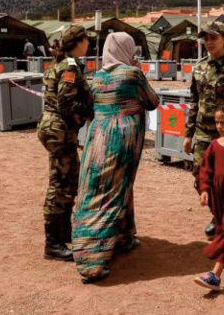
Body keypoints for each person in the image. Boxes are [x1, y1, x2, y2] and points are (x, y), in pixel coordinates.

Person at [72, 32, 159, 284]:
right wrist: (137, 70)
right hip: (122, 139)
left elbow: (90, 106)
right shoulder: (131, 74)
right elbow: (152, 101)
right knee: (109, 193)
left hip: (97, 135)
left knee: (104, 186)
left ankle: (123, 237)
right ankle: (90, 262)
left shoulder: (96, 77)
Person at [37, 25, 93, 262]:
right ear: (79, 42)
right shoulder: (70, 66)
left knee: (69, 180)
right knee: (60, 183)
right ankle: (53, 244)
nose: (88, 43)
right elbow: (66, 102)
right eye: (86, 39)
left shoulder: (57, 65)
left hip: (54, 127)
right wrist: (87, 110)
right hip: (59, 129)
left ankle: (63, 232)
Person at [183, 21, 224, 239]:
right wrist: (188, 134)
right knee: (200, 177)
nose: (209, 42)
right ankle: (216, 214)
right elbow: (193, 101)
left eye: (213, 38)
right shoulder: (199, 67)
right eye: (206, 39)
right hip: (202, 133)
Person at [193, 103, 224, 292]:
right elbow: (206, 170)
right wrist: (205, 190)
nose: (219, 126)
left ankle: (215, 274)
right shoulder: (214, 146)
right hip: (218, 199)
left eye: (223, 122)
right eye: (217, 122)